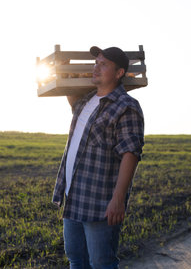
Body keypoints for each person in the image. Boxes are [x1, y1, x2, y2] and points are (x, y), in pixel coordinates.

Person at [52, 46, 145, 269]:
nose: (96, 67)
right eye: (96, 62)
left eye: (103, 64)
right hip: (74, 197)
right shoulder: (85, 101)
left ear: (120, 73)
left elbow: (130, 153)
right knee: (77, 260)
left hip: (100, 202)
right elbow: (70, 93)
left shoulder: (127, 106)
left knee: (101, 263)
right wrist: (64, 71)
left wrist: (118, 199)